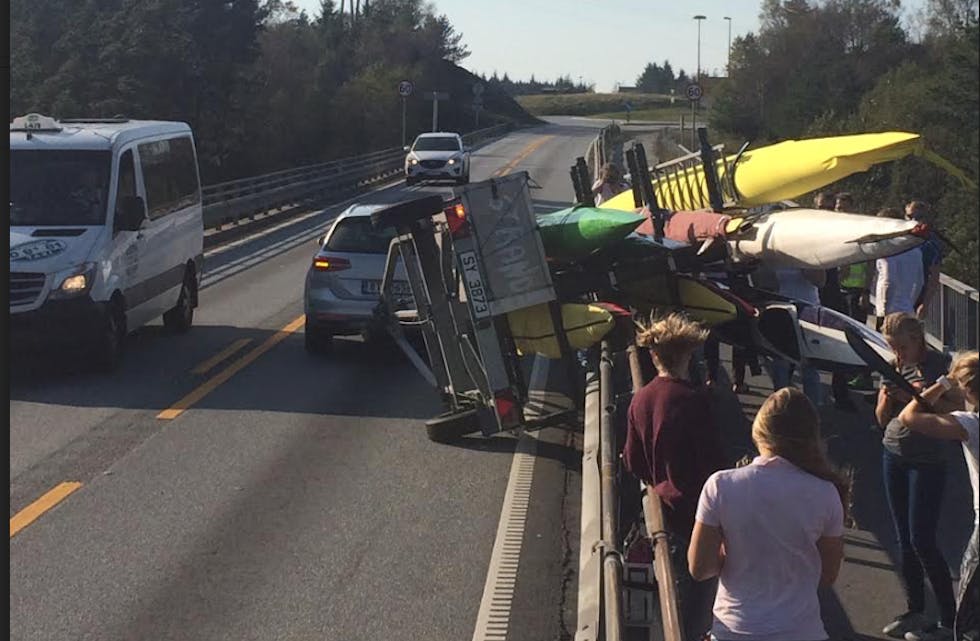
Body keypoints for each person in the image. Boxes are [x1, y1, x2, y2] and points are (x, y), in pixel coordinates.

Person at [688, 387, 848, 641]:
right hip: (801, 631)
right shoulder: (826, 493)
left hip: (735, 629)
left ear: (760, 432)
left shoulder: (721, 486)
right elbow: (827, 575)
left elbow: (699, 567)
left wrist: (729, 553)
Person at [622, 312, 727, 641]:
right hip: (697, 517)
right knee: (696, 605)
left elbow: (632, 460)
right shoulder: (693, 401)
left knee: (674, 600)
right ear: (688, 354)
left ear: (654, 356)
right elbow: (714, 466)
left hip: (664, 513)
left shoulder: (641, 399)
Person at [876, 313, 960, 640]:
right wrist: (888, 397)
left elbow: (957, 413)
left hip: (927, 462)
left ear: (917, 338)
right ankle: (915, 610)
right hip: (892, 453)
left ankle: (948, 619)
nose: (898, 354)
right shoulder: (894, 367)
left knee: (922, 540)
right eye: (892, 348)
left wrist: (921, 396)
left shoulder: (942, 366)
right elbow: (883, 420)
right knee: (903, 540)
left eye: (902, 347)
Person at [898, 351, 979, 641]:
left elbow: (908, 417)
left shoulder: (970, 425)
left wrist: (943, 383)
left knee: (970, 605)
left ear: (968, 390)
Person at [770, 266, 825, 405]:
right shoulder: (777, 253)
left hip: (808, 310)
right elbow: (765, 282)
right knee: (780, 364)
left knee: (809, 366)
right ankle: (781, 410)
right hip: (781, 308)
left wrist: (804, 266)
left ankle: (811, 413)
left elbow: (821, 281)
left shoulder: (809, 252)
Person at [875, 208, 925, 332]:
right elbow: (920, 281)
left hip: (889, 311)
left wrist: (885, 311)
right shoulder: (915, 249)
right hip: (907, 309)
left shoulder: (888, 249)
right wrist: (910, 302)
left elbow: (889, 280)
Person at [906, 201, 944, 321]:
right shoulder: (898, 237)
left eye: (918, 217)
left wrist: (925, 304)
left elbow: (934, 276)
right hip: (894, 295)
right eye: (910, 217)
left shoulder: (931, 242)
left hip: (916, 295)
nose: (914, 220)